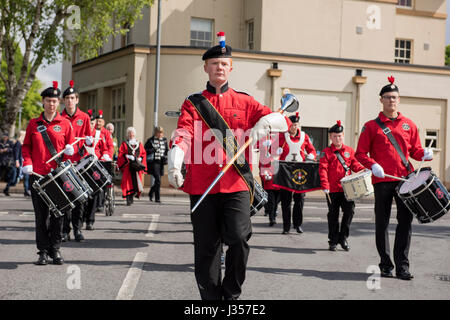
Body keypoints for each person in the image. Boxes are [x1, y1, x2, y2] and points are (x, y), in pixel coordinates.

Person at [167, 32, 290, 300]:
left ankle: (231, 293)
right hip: (202, 185)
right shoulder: (193, 103)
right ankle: (210, 300)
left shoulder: (245, 101)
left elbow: (284, 120)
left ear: (230, 67)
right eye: (214, 64)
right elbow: (183, 133)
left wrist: (266, 123)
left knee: (238, 239)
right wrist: (175, 160)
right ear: (206, 68)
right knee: (206, 248)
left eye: (224, 64)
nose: (219, 68)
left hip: (236, 184)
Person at [355, 76, 432, 280]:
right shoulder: (371, 126)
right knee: (381, 224)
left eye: (395, 97)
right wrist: (373, 165)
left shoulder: (409, 124)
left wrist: (423, 153)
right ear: (381, 100)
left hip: (406, 181)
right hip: (382, 181)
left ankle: (403, 266)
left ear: (399, 100)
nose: (392, 100)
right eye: (388, 97)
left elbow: (414, 151)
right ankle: (385, 265)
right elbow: (360, 154)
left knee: (405, 223)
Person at [22, 81, 76, 265]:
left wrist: (70, 150)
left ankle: (56, 249)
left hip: (58, 176)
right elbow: (26, 147)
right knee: (41, 216)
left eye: (54, 101)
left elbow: (72, 147)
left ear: (58, 103)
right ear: (43, 102)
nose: (51, 104)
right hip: (37, 175)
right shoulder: (33, 124)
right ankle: (43, 251)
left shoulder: (66, 124)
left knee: (58, 215)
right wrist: (27, 163)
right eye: (48, 101)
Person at [319, 120, 365, 251]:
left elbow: (355, 165)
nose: (337, 138)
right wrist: (325, 185)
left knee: (349, 212)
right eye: (334, 136)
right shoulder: (326, 152)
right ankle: (332, 241)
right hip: (332, 189)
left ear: (343, 136)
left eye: (339, 136)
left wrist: (364, 169)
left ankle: (343, 238)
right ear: (330, 137)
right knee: (333, 215)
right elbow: (323, 169)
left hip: (348, 189)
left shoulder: (349, 151)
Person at [60, 80, 93, 241]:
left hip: (80, 163)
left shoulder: (84, 117)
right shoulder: (59, 118)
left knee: (79, 198)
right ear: (63, 100)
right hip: (65, 164)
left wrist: (88, 141)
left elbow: (90, 140)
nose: (69, 101)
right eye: (67, 98)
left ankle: (78, 229)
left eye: (72, 98)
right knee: (65, 198)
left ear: (77, 100)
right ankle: (65, 230)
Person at [277, 112, 316, 234]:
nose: (294, 127)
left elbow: (312, 151)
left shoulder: (305, 137)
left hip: (300, 170)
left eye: (296, 124)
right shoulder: (282, 137)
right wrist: (274, 151)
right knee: (286, 200)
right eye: (292, 125)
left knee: (299, 199)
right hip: (286, 170)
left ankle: (298, 224)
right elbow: (271, 151)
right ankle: (286, 227)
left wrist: (311, 155)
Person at [84, 110, 109, 230]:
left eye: (92, 123)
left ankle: (90, 220)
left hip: (95, 166)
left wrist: (105, 155)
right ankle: (80, 219)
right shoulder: (81, 134)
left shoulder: (99, 135)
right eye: (89, 122)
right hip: (82, 167)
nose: (91, 125)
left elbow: (104, 149)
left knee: (94, 194)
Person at [117, 127, 147, 206]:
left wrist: (140, 158)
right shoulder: (124, 144)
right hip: (128, 166)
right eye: (129, 133)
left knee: (136, 183)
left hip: (136, 167)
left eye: (132, 133)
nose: (131, 135)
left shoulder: (139, 143)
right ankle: (128, 198)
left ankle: (132, 196)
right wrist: (127, 157)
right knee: (127, 183)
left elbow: (143, 153)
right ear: (127, 134)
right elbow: (120, 154)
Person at [257, 135, 281, 226]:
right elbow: (263, 167)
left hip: (279, 183)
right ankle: (272, 218)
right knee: (271, 202)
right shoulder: (266, 156)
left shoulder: (280, 156)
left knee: (276, 202)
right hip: (270, 183)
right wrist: (265, 176)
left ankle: (273, 214)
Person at [144, 126, 168, 203]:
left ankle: (151, 192)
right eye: (159, 132)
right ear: (155, 132)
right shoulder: (150, 140)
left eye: (161, 132)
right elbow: (145, 150)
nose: (160, 134)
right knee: (158, 179)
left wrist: (166, 156)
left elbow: (166, 150)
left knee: (158, 180)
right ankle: (157, 198)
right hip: (153, 162)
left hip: (161, 162)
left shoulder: (164, 140)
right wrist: (152, 150)